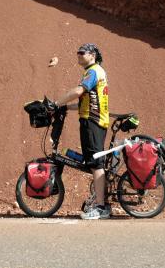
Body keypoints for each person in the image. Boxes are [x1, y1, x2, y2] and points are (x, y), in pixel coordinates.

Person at [56, 42, 110, 220]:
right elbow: (86, 99)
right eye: (77, 52)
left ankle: (101, 207)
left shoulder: (93, 71)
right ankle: (102, 203)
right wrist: (68, 108)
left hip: (93, 121)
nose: (78, 54)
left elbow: (79, 91)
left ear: (92, 55)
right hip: (94, 120)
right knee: (94, 161)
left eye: (82, 52)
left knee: (96, 163)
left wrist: (57, 103)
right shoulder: (94, 71)